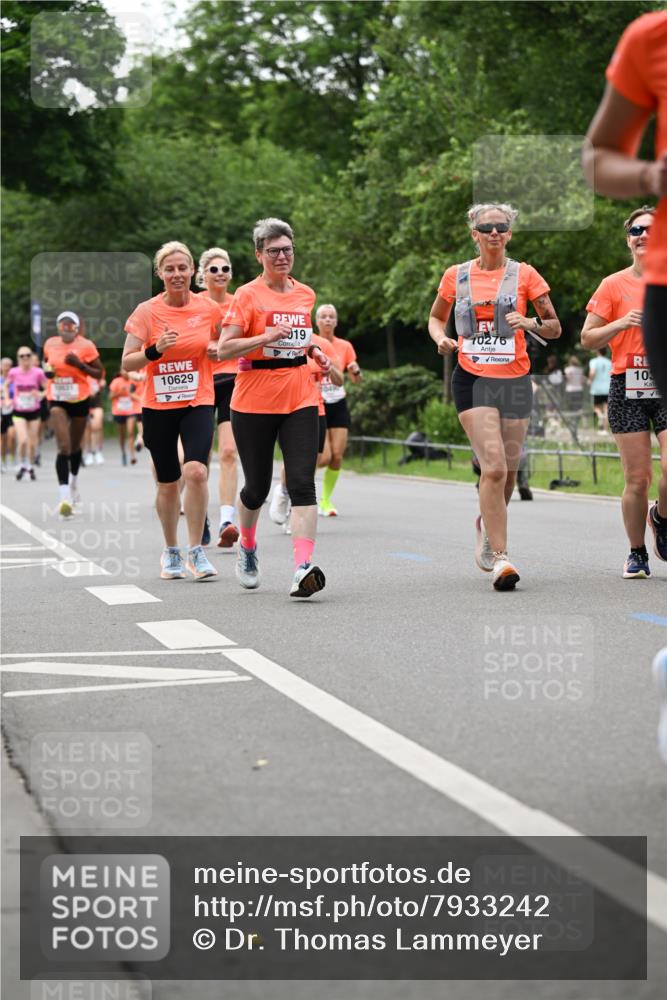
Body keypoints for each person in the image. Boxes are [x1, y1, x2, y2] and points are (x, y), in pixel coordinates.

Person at [428, 203, 561, 590]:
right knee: (495, 467)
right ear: (474, 233)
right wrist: (443, 339)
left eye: (501, 227)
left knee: (509, 469)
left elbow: (554, 327)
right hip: (472, 379)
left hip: (515, 380)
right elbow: (436, 317)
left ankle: (488, 525)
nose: (494, 233)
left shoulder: (526, 275)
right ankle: (502, 558)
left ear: (509, 233)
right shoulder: (456, 275)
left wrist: (530, 322)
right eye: (486, 227)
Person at [217, 217, 332, 598]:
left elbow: (300, 336)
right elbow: (224, 348)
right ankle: (247, 546)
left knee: (302, 483)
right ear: (259, 255)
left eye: (287, 250)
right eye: (274, 251)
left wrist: (315, 351)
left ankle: (302, 568)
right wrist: (263, 336)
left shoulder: (305, 294)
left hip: (300, 396)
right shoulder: (247, 296)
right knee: (258, 487)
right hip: (253, 400)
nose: (282, 257)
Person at [121, 240, 219, 581]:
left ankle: (197, 551)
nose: (177, 274)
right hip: (158, 405)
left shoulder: (208, 309)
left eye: (182, 268)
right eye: (170, 269)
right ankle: (171, 551)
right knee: (168, 482)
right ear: (160, 273)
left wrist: (220, 350)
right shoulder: (147, 311)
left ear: (193, 271)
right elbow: (127, 362)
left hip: (198, 400)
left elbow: (223, 342)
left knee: (196, 472)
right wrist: (154, 351)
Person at [584, 10, 667, 400]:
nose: (641, 236)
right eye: (636, 230)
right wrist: (651, 177)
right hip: (662, 289)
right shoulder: (651, 38)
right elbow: (597, 158)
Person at [581, 206, 667, 578]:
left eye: (650, 230)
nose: (643, 236)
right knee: (637, 478)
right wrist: (620, 322)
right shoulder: (612, 285)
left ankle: (661, 518)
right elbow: (587, 338)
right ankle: (637, 553)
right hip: (626, 385)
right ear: (628, 239)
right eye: (636, 231)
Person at [195, 246, 240, 548]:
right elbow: (185, 338)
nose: (220, 274)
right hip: (200, 383)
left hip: (234, 380)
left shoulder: (239, 303)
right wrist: (208, 346)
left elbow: (246, 338)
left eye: (225, 269)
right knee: (198, 460)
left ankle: (227, 519)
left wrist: (227, 347)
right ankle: (202, 517)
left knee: (228, 452)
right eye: (214, 269)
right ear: (203, 275)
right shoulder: (194, 303)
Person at [42, 311, 104, 516]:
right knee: (64, 446)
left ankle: (74, 483)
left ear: (76, 329)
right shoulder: (50, 343)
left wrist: (80, 365)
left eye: (70, 326)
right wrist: (47, 372)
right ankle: (64, 497)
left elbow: (99, 373)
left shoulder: (86, 346)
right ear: (58, 327)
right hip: (57, 397)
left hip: (79, 398)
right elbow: (46, 363)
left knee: (76, 446)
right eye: (62, 326)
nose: (66, 330)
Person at [311, 303, 362, 516]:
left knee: (337, 456)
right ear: (317, 321)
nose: (328, 320)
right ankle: (296, 486)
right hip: (316, 401)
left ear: (336, 321)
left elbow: (355, 380)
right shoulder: (311, 342)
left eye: (331, 317)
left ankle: (325, 500)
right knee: (323, 456)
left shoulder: (345, 346)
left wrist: (356, 372)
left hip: (338, 402)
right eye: (323, 316)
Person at [4, 346, 47, 479]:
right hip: (19, 410)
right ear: (18, 358)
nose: (25, 358)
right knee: (23, 440)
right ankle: (22, 463)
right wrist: (7, 399)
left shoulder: (38, 372)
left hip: (34, 410)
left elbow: (48, 388)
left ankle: (30, 465)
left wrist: (40, 394)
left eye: (27, 355)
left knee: (33, 442)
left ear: (31, 357)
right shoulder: (14, 372)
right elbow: (5, 385)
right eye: (22, 356)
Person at [108, 369, 141, 465]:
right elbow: (110, 396)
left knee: (130, 432)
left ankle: (132, 455)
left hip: (131, 410)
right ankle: (123, 452)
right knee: (122, 434)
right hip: (119, 411)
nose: (125, 373)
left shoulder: (134, 380)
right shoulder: (116, 381)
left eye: (127, 371)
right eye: (123, 371)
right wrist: (119, 393)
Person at [83, 374, 106, 465]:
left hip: (97, 404)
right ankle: (89, 453)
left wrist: (101, 385)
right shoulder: (82, 376)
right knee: (87, 429)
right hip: (85, 404)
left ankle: (98, 451)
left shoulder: (96, 375)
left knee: (97, 426)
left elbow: (102, 384)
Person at [587, 348, 612, 431]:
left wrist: (589, 381)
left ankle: (600, 416)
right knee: (607, 409)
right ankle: (605, 430)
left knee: (595, 407)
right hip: (608, 388)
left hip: (596, 388)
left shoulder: (594, 361)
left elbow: (592, 372)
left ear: (597, 351)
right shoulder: (609, 362)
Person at [0, 356, 16, 472]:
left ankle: (13, 458)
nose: (7, 368)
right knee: (2, 438)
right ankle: (2, 460)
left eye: (9, 365)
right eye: (5, 365)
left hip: (12, 409)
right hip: (1, 410)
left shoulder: (15, 380)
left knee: (12, 435)